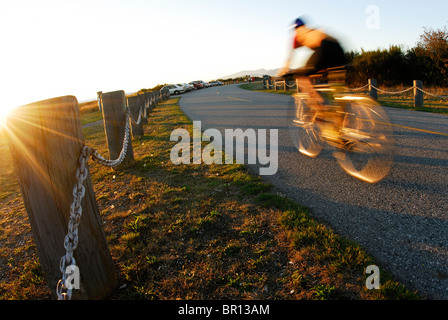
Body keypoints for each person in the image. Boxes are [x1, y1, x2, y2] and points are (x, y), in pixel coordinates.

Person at [279, 17, 346, 105]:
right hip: (338, 48)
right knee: (334, 78)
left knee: (301, 76)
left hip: (324, 47)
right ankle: (342, 108)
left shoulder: (297, 34)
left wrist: (283, 70)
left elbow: (290, 56)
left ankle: (319, 107)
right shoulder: (313, 30)